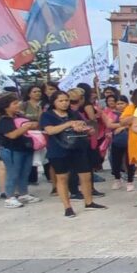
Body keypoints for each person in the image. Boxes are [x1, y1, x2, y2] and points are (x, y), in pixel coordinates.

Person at [39, 90, 105, 218]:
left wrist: (88, 130)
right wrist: (68, 124)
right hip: (59, 149)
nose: (64, 103)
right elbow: (50, 130)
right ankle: (67, 207)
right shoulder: (47, 115)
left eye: (66, 100)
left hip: (78, 147)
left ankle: (89, 202)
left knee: (85, 176)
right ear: (54, 102)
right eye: (61, 101)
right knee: (62, 178)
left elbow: (85, 126)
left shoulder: (74, 113)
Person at [0, 94, 40, 208]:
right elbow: (12, 135)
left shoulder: (19, 116)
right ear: (5, 107)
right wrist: (25, 127)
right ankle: (9, 197)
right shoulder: (3, 120)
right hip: (12, 150)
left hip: (25, 147)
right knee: (13, 173)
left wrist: (33, 125)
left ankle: (23, 193)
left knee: (25, 172)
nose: (18, 105)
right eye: (14, 103)